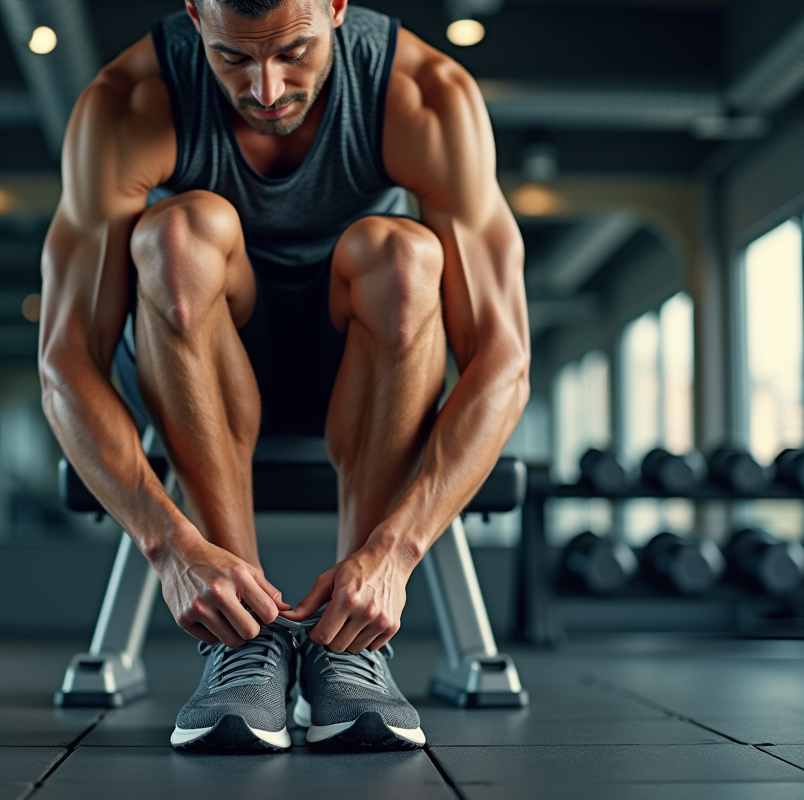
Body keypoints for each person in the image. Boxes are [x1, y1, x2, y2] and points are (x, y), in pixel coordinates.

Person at [38, 0, 529, 752]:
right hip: (201, 360)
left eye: (294, 51)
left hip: (362, 366)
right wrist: (169, 546)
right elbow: (65, 360)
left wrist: (396, 551)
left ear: (336, 7)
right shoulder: (130, 102)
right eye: (234, 57)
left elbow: (504, 357)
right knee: (177, 234)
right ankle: (243, 648)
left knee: (402, 256)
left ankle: (350, 651)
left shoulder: (424, 96)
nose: (266, 88)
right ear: (195, 13)